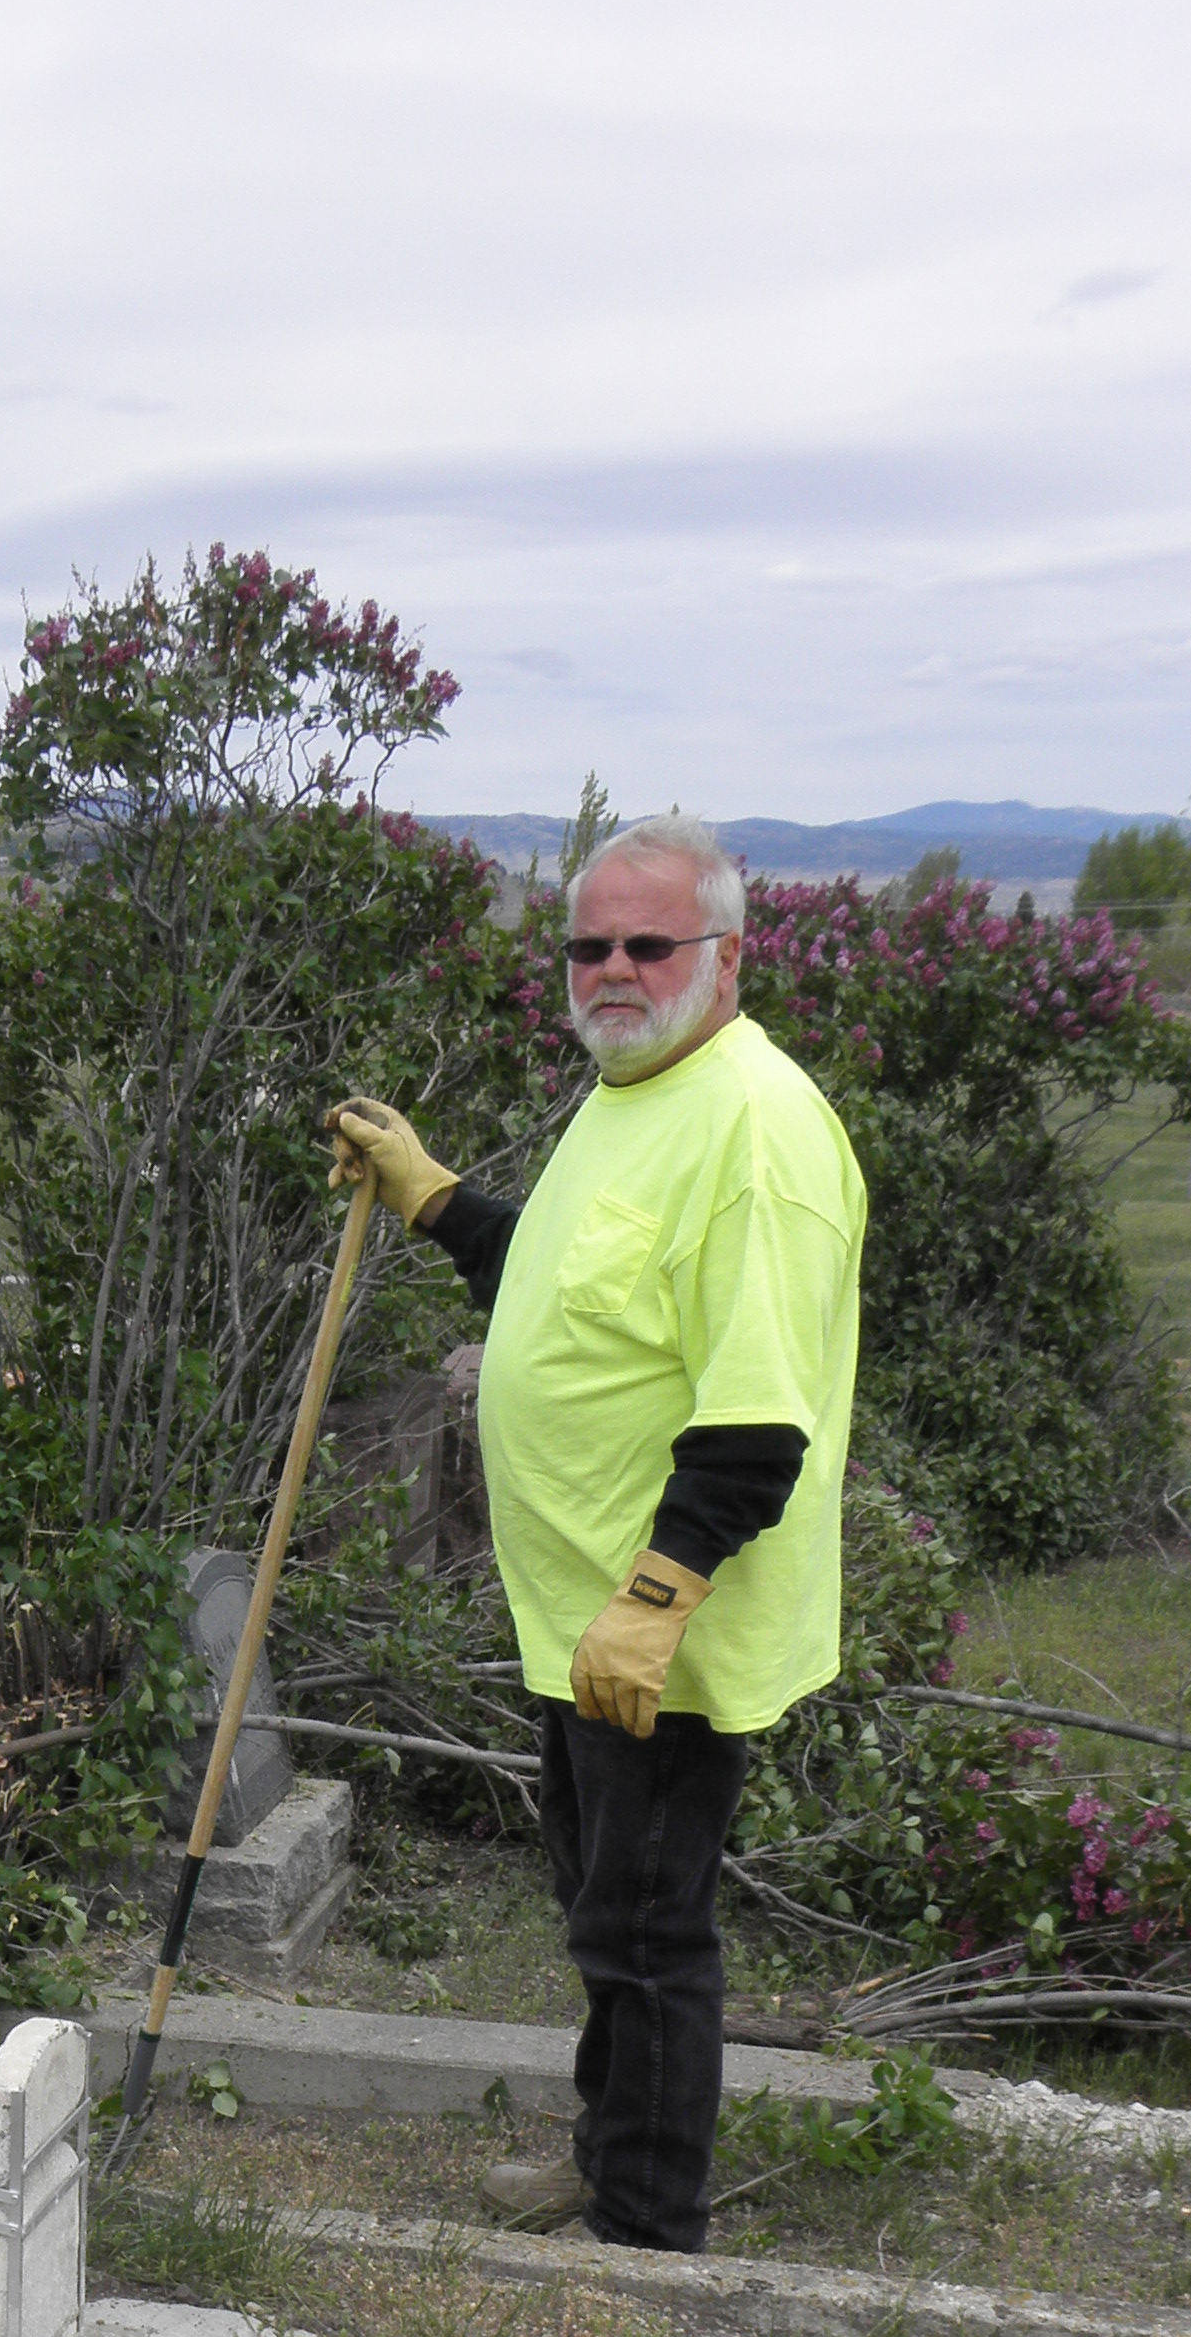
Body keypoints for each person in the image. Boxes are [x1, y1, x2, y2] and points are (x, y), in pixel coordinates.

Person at [328, 811, 863, 2255]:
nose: (614, 969)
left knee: (646, 1929)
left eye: (649, 942)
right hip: (584, 1619)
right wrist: (437, 1199)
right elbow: (569, 1286)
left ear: (728, 954)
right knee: (601, 1907)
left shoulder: (755, 1136)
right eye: (590, 944)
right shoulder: (637, 1091)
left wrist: (656, 1592)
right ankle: (605, 2152)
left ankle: (644, 2226)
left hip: (661, 1630)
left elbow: (760, 1425)